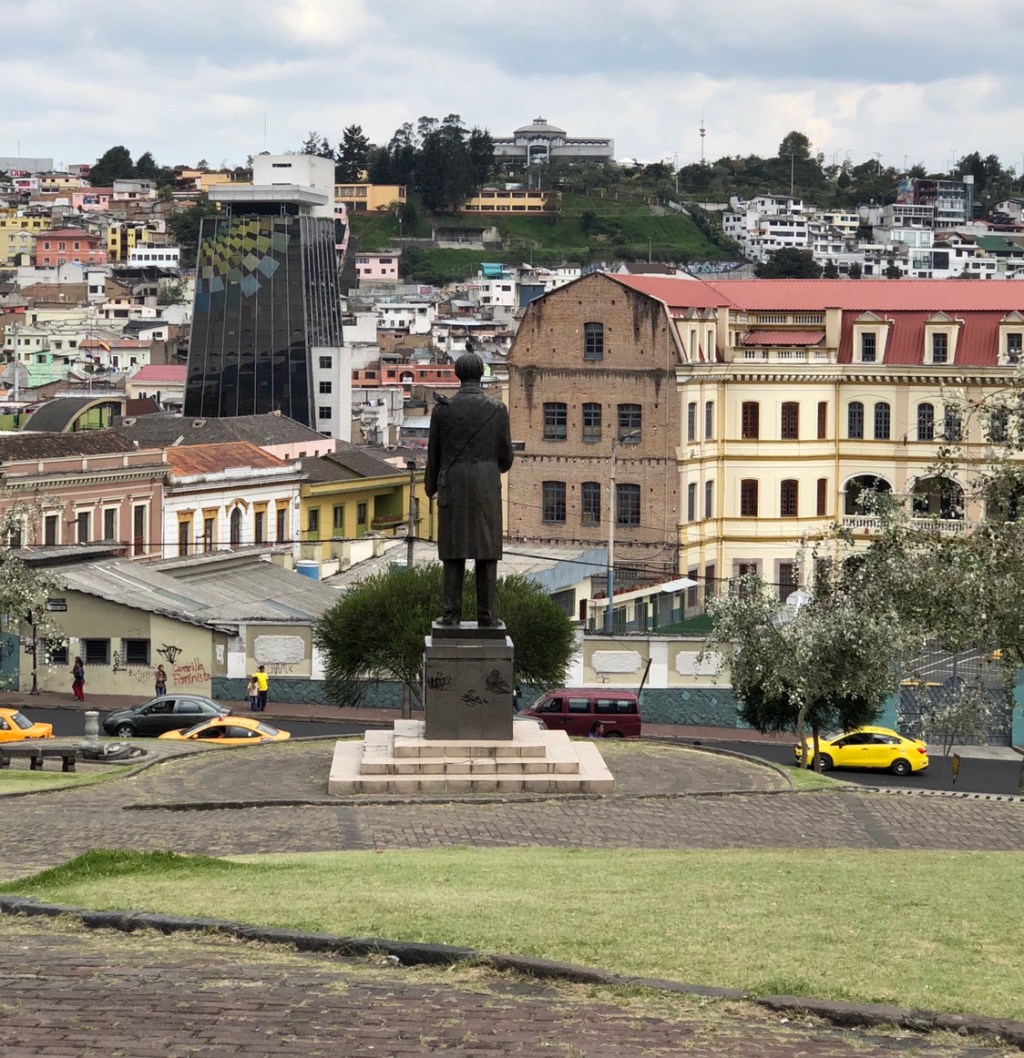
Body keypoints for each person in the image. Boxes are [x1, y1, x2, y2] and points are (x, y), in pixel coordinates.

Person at [424, 352, 514, 626]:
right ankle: (487, 616)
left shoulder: (443, 410)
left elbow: (434, 455)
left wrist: (431, 487)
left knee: (453, 552)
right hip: (486, 485)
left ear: (458, 374)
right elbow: (506, 457)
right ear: (481, 374)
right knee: (486, 552)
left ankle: (451, 615)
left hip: (453, 483)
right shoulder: (497, 409)